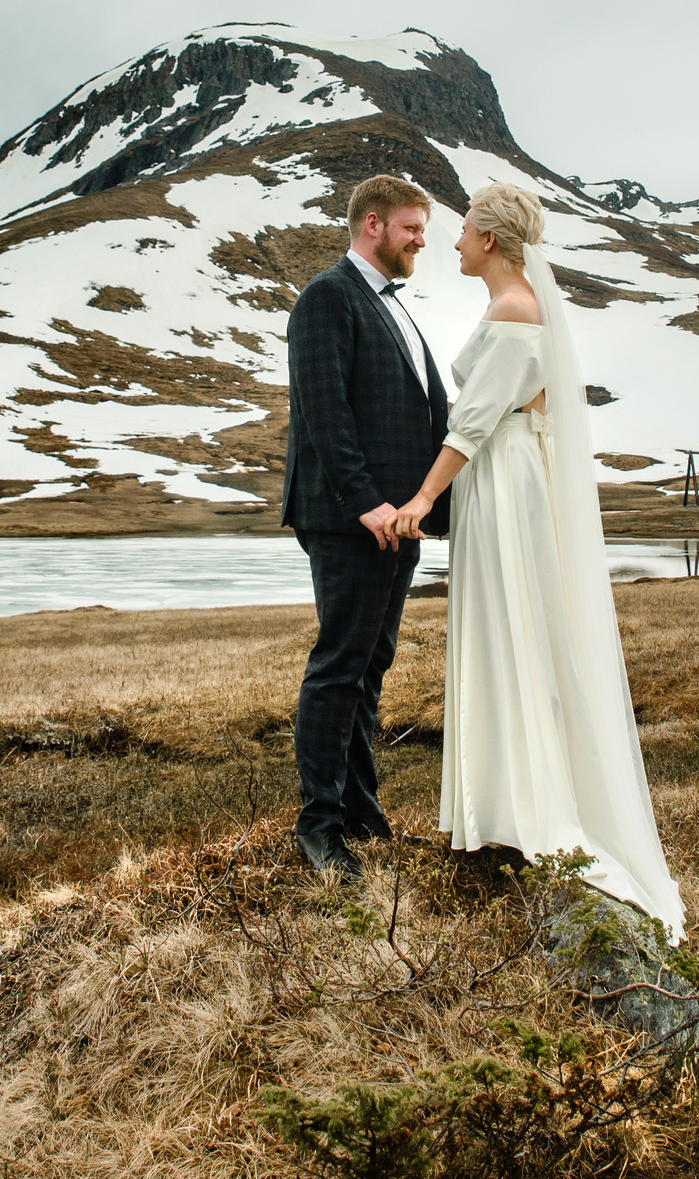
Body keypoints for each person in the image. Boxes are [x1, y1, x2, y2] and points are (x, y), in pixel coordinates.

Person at [390, 182, 684, 939]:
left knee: (510, 629)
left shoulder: (515, 310)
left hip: (503, 478)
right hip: (504, 474)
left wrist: (422, 498)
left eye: (464, 231)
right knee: (506, 629)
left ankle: (524, 812)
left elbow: (476, 421)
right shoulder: (517, 304)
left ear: (490, 239)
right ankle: (503, 806)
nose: (455, 242)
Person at [280, 173, 450, 881]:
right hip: (353, 520)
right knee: (339, 667)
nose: (421, 241)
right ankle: (318, 827)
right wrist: (366, 502)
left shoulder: (393, 305)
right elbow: (324, 411)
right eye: (412, 228)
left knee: (370, 667)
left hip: (395, 523)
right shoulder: (328, 296)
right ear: (373, 224)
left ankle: (361, 811)